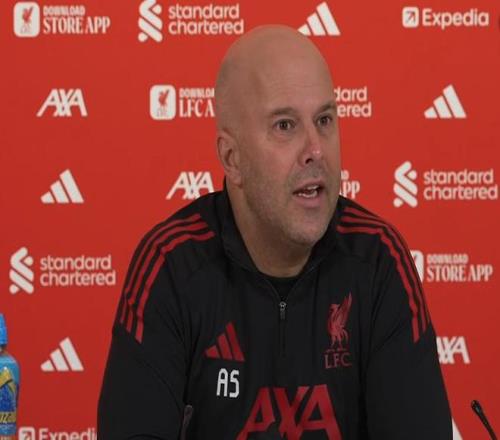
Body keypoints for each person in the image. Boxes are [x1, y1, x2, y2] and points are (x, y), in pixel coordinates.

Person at [98, 25, 452, 439]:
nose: (315, 150)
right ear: (232, 158)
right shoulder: (171, 266)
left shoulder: (377, 260)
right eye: (285, 126)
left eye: (324, 120)